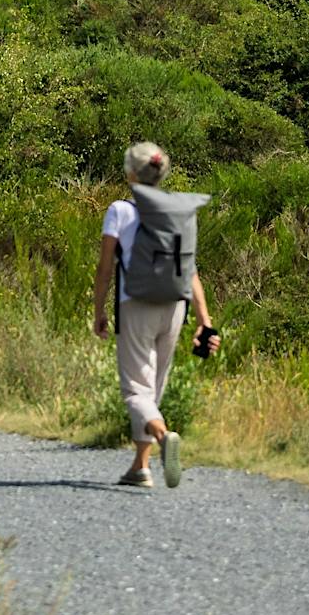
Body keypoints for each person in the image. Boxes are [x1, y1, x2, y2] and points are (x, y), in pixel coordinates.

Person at [92, 140, 220, 490]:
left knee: (136, 391)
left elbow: (105, 268)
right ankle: (140, 467)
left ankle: (163, 438)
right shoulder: (176, 212)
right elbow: (190, 269)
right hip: (175, 306)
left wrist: (99, 309)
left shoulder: (120, 210)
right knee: (153, 389)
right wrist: (204, 321)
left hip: (136, 304)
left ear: (130, 173)